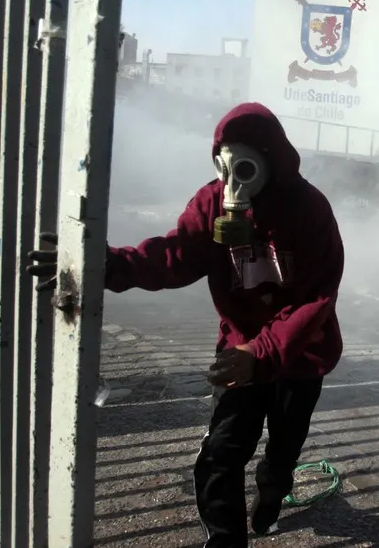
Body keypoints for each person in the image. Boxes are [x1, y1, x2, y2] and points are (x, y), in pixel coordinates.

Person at [27, 102, 345, 547]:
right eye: (224, 168)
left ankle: (274, 489)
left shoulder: (310, 211)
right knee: (221, 455)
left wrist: (264, 352)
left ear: (273, 161)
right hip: (240, 354)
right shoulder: (212, 203)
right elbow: (173, 257)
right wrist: (107, 264)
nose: (233, 184)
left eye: (245, 169)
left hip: (300, 357)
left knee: (284, 446)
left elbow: (316, 299)